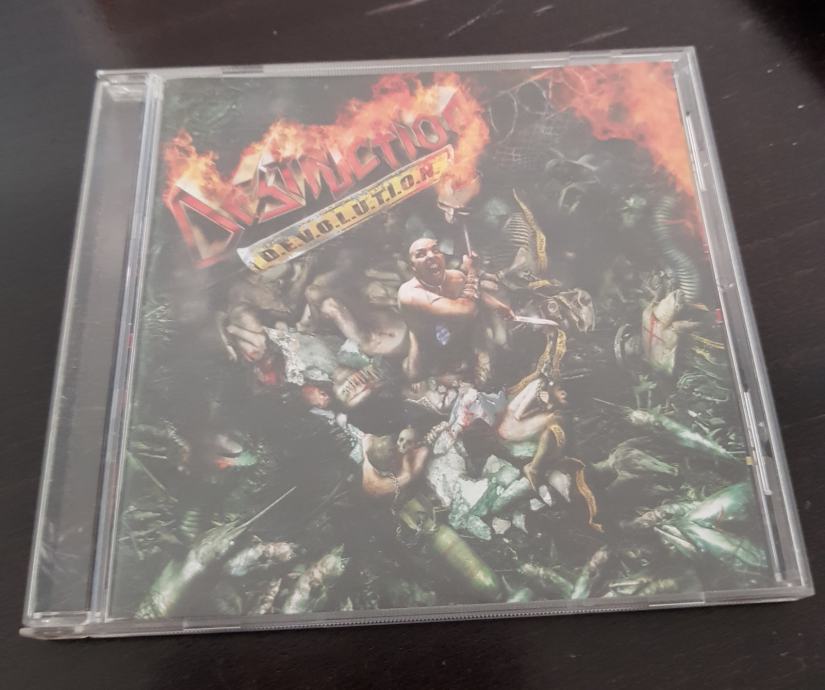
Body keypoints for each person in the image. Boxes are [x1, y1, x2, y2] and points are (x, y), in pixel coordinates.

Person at [398, 237, 513, 382]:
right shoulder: (410, 294)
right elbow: (466, 309)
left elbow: (476, 294)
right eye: (421, 254)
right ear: (412, 267)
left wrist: (499, 306)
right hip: (427, 349)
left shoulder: (455, 277)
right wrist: (472, 271)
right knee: (416, 378)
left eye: (435, 250)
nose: (431, 256)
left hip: (458, 340)